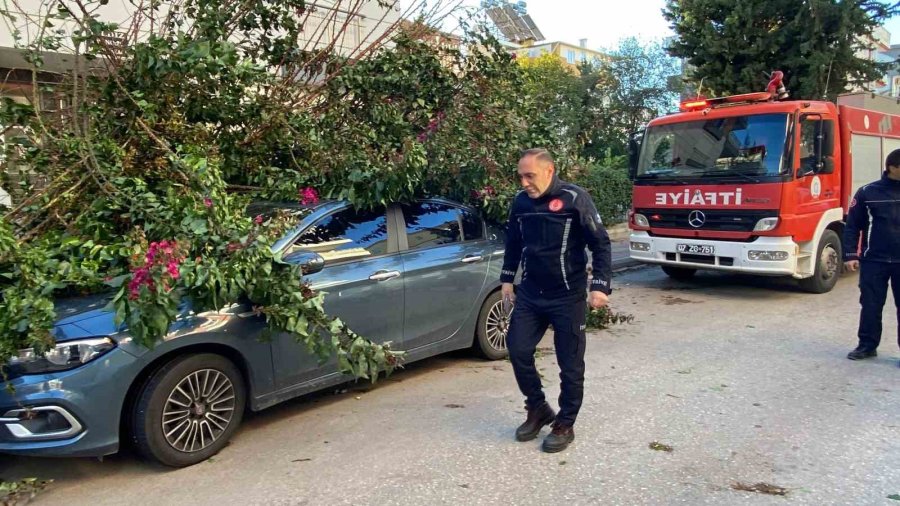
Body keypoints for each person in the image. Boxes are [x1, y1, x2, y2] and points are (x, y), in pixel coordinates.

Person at [500, 148, 612, 453]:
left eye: (529, 175)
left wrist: (600, 285)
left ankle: (565, 422)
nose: (523, 182)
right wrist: (507, 279)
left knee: (570, 364)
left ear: (549, 171)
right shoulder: (521, 202)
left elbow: (600, 242)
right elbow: (514, 241)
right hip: (531, 294)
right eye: (520, 176)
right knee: (518, 349)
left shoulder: (575, 198)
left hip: (568, 296)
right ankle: (537, 408)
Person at [842, 148, 900, 364]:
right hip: (874, 261)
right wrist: (849, 254)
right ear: (893, 167)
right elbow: (852, 226)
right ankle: (867, 346)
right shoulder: (868, 192)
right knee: (871, 305)